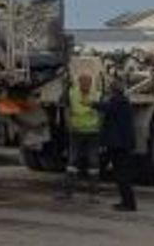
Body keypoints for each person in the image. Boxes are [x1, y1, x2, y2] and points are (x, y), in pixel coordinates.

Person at [62, 72, 102, 200]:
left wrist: (100, 126)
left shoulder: (97, 94)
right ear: (79, 82)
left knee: (93, 163)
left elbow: (102, 112)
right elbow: (67, 109)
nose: (86, 85)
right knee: (72, 162)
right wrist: (69, 124)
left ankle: (94, 194)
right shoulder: (72, 93)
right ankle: (68, 192)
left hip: (92, 132)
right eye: (83, 82)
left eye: (88, 83)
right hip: (76, 131)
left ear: (91, 83)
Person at [100, 79, 138, 212]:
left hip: (119, 145)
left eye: (110, 90)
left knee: (122, 175)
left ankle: (128, 204)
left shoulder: (118, 102)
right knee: (122, 175)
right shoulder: (123, 102)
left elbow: (106, 108)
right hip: (123, 144)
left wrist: (91, 104)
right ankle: (126, 202)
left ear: (114, 91)